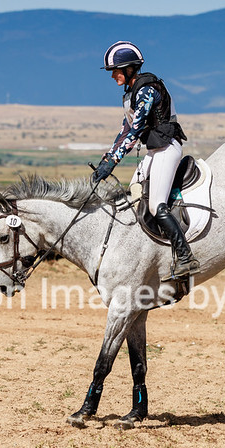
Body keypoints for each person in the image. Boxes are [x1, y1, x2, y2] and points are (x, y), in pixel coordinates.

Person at [90, 40, 200, 280]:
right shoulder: (131, 93)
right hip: (154, 150)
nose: (112, 77)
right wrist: (106, 159)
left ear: (129, 69)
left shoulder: (147, 89)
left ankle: (185, 257)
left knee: (155, 205)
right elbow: (124, 131)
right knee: (134, 193)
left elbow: (136, 130)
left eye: (115, 71)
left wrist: (113, 162)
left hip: (166, 148)